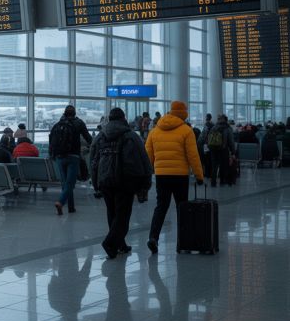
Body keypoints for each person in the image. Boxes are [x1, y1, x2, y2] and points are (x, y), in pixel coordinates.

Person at [90, 108, 153, 259]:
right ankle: (110, 243)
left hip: (105, 180)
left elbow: (93, 160)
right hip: (125, 181)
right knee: (122, 216)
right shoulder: (131, 136)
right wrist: (146, 182)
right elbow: (144, 159)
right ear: (123, 118)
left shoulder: (100, 136)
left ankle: (120, 244)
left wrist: (95, 182)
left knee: (112, 212)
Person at [144, 101, 204, 254]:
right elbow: (193, 155)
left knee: (161, 207)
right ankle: (183, 243)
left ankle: (153, 237)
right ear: (183, 113)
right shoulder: (186, 130)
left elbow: (148, 155)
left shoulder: (155, 131)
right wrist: (199, 175)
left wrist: (148, 173)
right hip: (180, 175)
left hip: (161, 175)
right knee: (182, 207)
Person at [48, 105, 93, 215]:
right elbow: (88, 138)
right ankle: (60, 202)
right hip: (73, 156)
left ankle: (71, 207)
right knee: (70, 183)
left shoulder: (58, 124)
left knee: (65, 183)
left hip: (59, 157)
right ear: (74, 113)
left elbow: (51, 140)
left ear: (64, 113)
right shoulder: (79, 123)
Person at [207, 114, 234, 186]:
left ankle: (213, 182)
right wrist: (233, 152)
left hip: (213, 149)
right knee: (223, 165)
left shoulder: (214, 127)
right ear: (226, 120)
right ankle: (222, 181)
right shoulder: (228, 128)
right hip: (223, 149)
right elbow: (231, 141)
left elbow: (209, 138)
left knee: (214, 166)